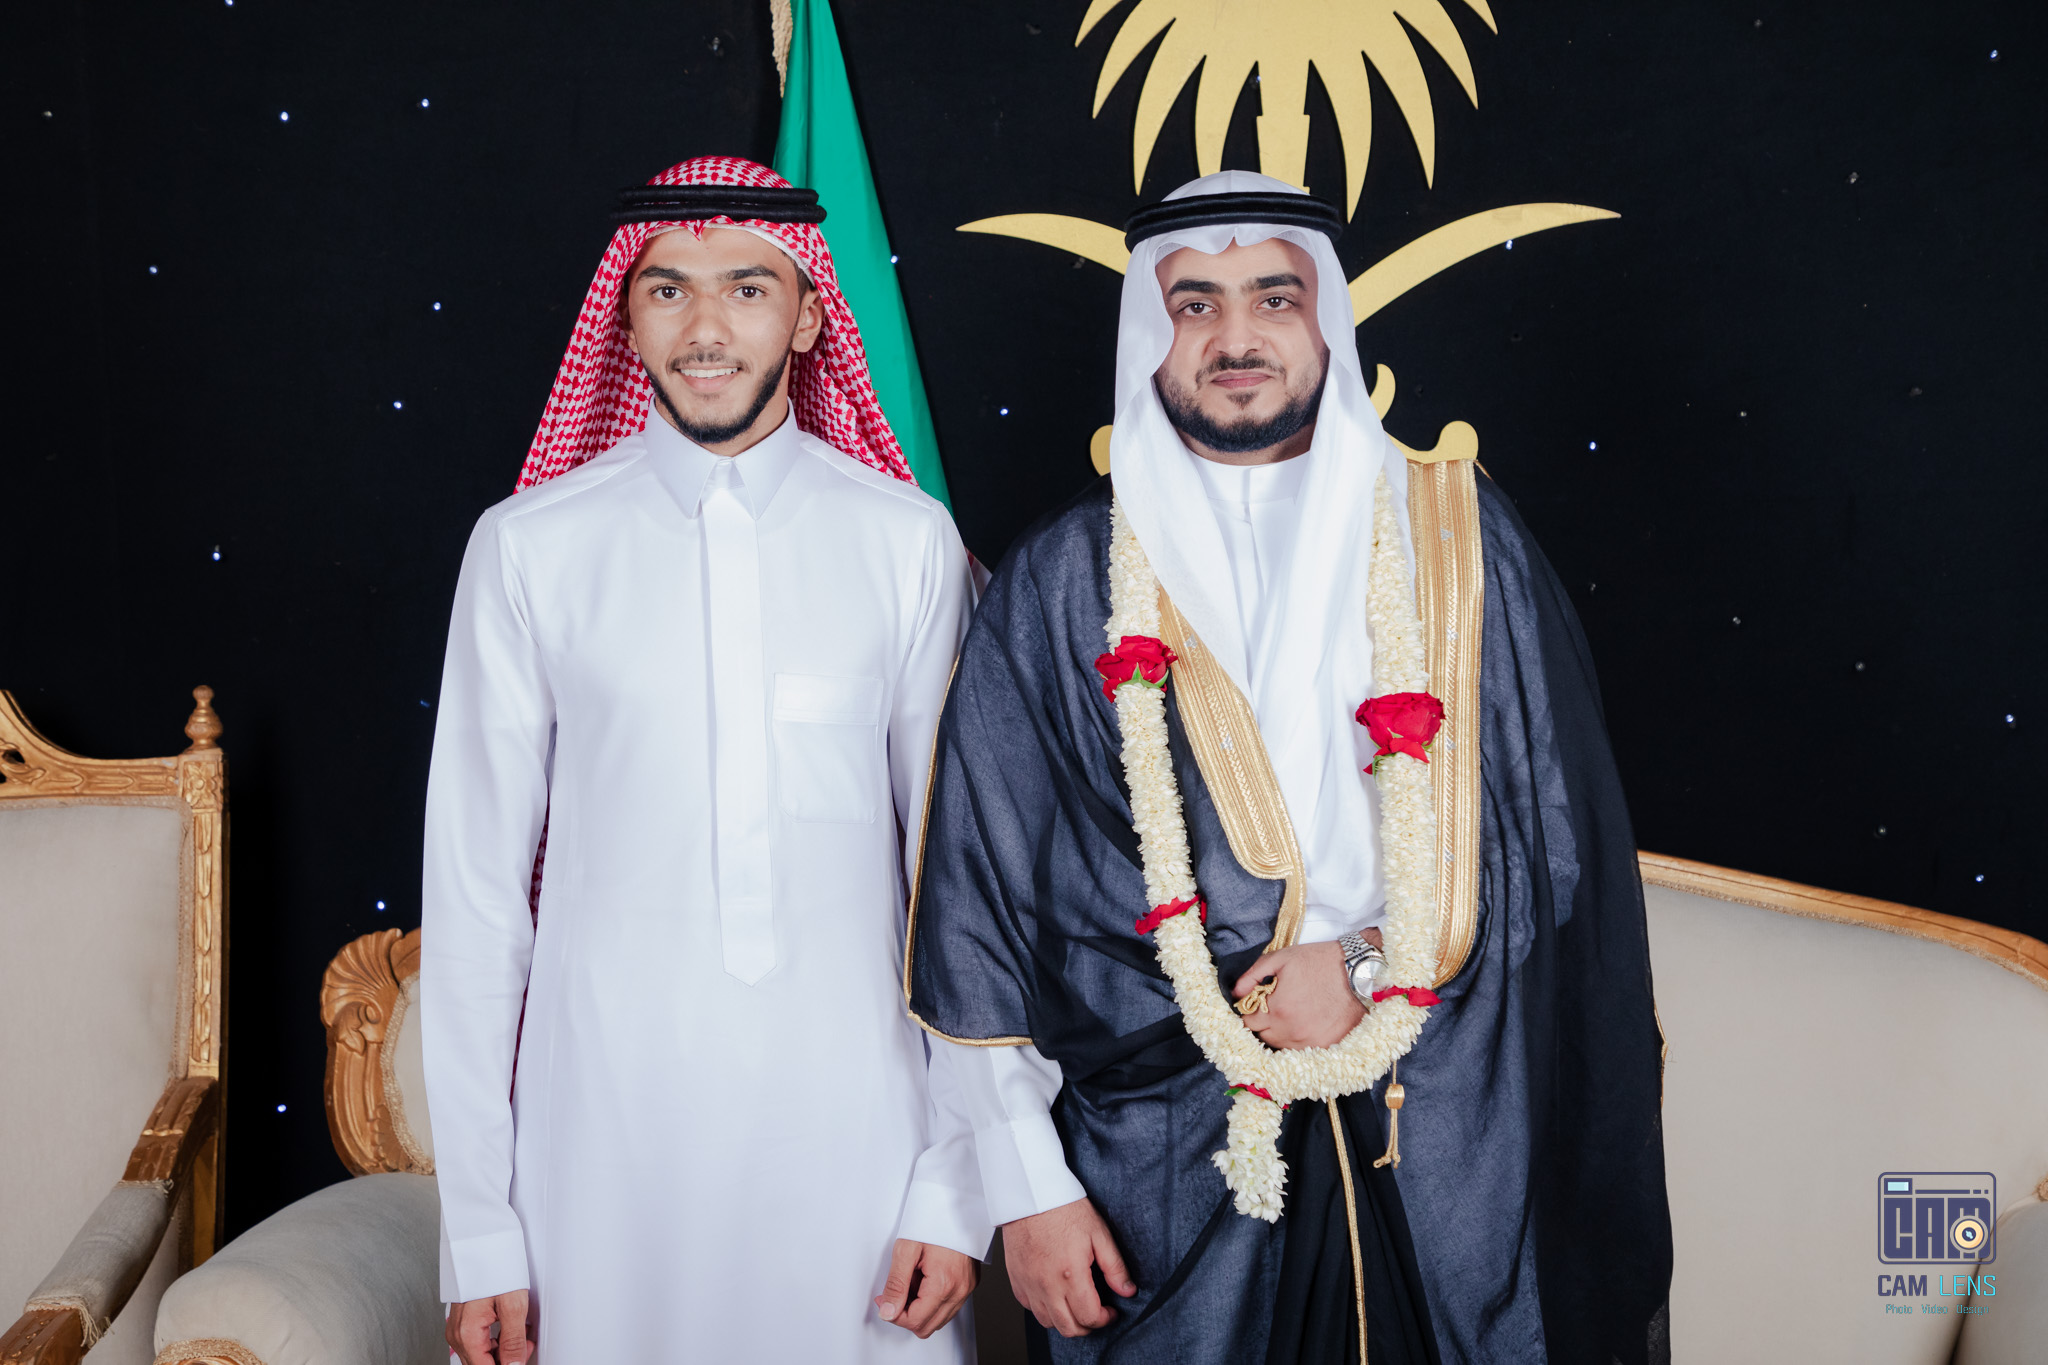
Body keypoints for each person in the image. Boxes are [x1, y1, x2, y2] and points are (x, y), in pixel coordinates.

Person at [905, 172, 1672, 1364]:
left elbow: (1547, 855)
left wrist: (1364, 964)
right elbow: (981, 909)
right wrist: (1024, 1188)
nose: (1236, 338)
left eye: (1273, 297)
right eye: (1195, 305)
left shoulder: (1453, 542)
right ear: (1151, 334)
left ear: (1326, 324)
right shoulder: (1062, 580)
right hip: (1157, 1163)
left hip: (1440, 1129)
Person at [423, 156, 985, 1363]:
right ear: (623, 321)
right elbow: (475, 902)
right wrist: (479, 1231)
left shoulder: (904, 543)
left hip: (861, 1150)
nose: (707, 328)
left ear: (809, 317)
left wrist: (954, 1186)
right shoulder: (529, 548)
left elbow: (958, 888)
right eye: (668, 290)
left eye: (746, 287)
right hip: (596, 1155)